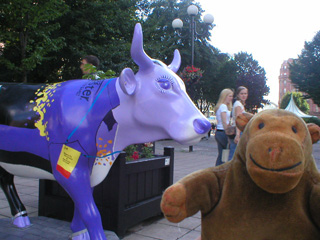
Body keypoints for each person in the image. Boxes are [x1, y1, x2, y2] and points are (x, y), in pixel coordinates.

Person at [214, 88, 234, 166]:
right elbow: (224, 121)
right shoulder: (223, 107)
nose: (231, 98)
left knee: (222, 154)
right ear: (225, 96)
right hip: (223, 132)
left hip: (219, 131)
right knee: (225, 155)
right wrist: (228, 133)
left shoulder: (221, 106)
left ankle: (217, 170)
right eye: (230, 96)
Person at [228, 86, 248, 160]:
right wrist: (237, 135)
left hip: (239, 131)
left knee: (236, 153)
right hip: (238, 131)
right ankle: (229, 170)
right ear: (238, 95)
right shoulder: (238, 105)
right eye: (241, 93)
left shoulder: (240, 104)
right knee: (233, 154)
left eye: (245, 93)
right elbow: (238, 120)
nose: (243, 95)